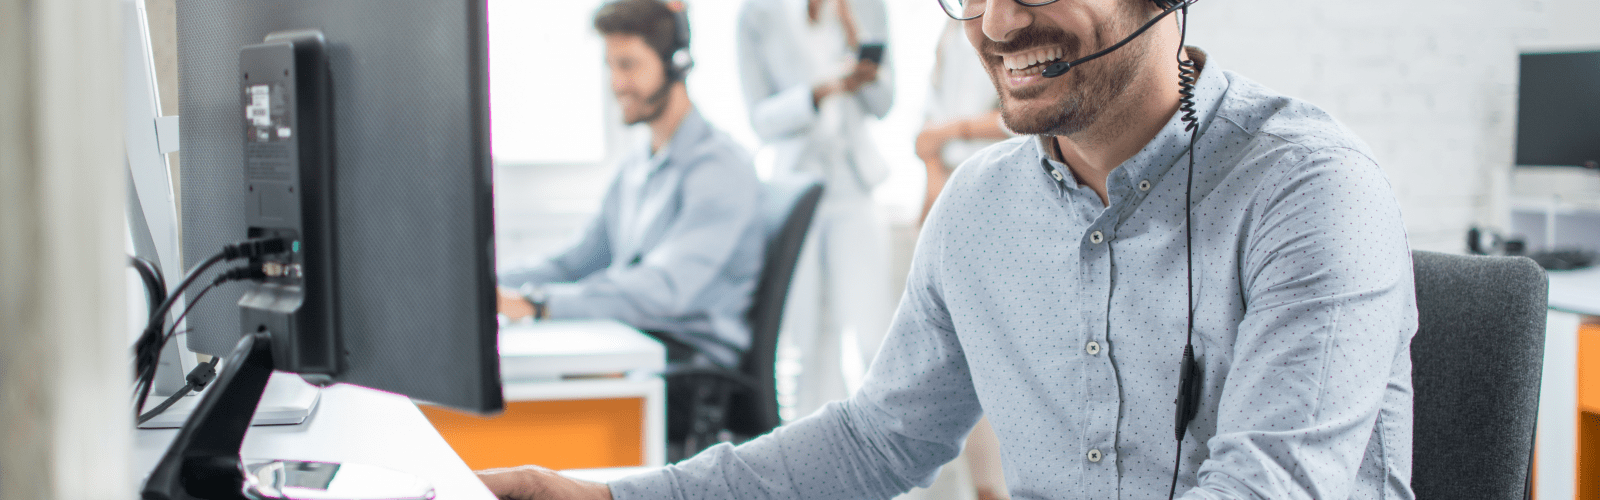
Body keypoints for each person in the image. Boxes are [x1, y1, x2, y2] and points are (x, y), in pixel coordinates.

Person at [479, 0, 1417, 497]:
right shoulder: (980, 209)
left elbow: (1269, 492)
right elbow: (875, 440)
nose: (999, 24)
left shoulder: (1307, 192)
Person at [495, 0, 764, 442]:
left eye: (629, 65)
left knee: (530, 403)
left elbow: (665, 289)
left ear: (676, 63)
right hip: (634, 346)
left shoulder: (718, 169)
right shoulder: (637, 164)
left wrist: (538, 304)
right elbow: (575, 262)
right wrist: (485, 286)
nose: (617, 83)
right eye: (610, 66)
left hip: (688, 374)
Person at [732, 0, 898, 423]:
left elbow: (883, 103)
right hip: (798, 188)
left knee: (873, 335)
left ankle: (885, 465)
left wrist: (859, 43)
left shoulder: (866, 7)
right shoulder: (756, 14)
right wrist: (818, 92)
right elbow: (760, 119)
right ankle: (814, 466)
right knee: (806, 340)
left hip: (853, 185)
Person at [917, 18, 1011, 224]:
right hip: (950, 179)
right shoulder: (950, 28)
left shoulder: (1009, 23)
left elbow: (1021, 117)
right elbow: (927, 132)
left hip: (1000, 181)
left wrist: (951, 130)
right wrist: (933, 187)